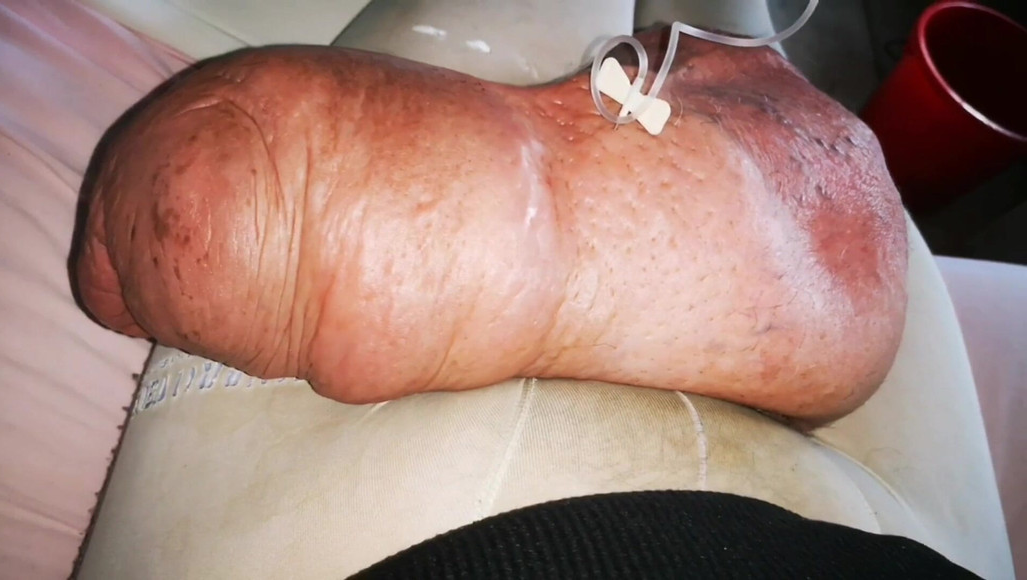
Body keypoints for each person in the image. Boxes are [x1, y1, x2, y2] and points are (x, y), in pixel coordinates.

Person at [70, 1, 1012, 578]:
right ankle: (715, 96)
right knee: (823, 152)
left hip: (470, 526)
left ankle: (693, 101)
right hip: (898, 544)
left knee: (707, 46)